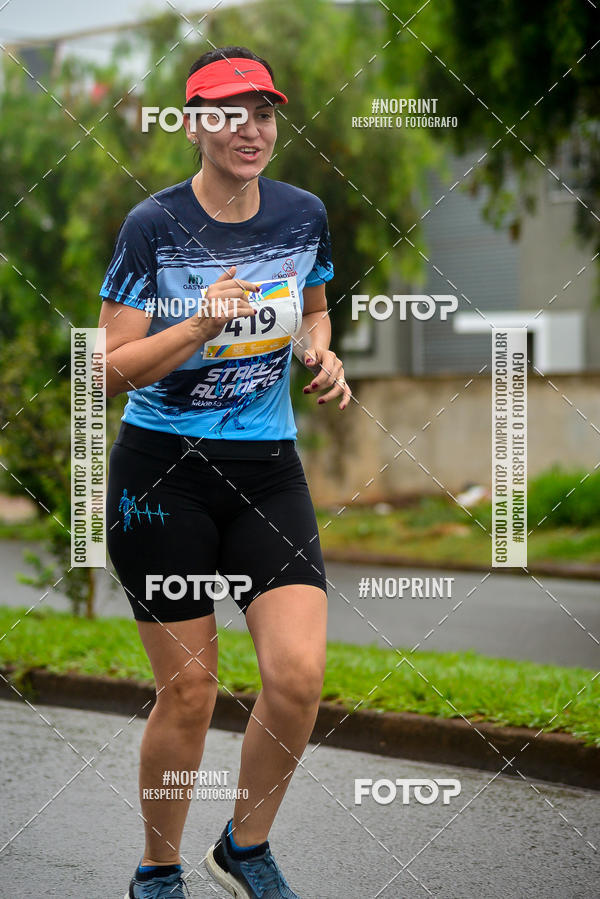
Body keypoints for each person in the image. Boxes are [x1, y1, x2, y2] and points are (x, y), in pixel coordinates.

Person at [99, 45, 351, 899]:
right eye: (232, 112)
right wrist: (196, 328)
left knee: (297, 677)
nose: (252, 129)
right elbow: (105, 369)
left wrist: (324, 358)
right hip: (161, 475)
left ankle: (244, 847)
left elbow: (314, 313)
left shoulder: (304, 213)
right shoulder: (154, 226)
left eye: (265, 113)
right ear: (196, 123)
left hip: (268, 469)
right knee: (190, 692)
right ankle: (158, 869)